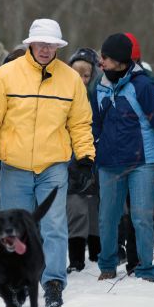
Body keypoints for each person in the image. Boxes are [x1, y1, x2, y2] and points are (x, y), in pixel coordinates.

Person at [0, 18, 95, 307]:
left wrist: (86, 158)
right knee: (15, 229)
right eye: (40, 43)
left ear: (58, 46)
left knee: (53, 225)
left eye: (50, 44)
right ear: (30, 44)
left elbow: (80, 122)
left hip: (53, 165)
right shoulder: (6, 75)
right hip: (15, 166)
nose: (45, 49)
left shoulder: (70, 79)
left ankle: (52, 282)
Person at [92, 33, 154, 282]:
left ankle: (144, 269)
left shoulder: (143, 86)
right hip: (109, 163)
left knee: (141, 217)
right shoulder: (98, 86)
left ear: (121, 62)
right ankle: (107, 265)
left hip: (144, 162)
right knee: (107, 217)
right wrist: (95, 151)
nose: (101, 62)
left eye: (106, 58)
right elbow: (94, 124)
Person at [66, 48, 101, 273]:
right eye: (76, 73)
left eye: (86, 75)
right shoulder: (64, 95)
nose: (81, 79)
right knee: (75, 208)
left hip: (95, 157)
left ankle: (97, 252)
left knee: (95, 206)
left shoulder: (98, 95)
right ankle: (76, 258)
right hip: (69, 159)